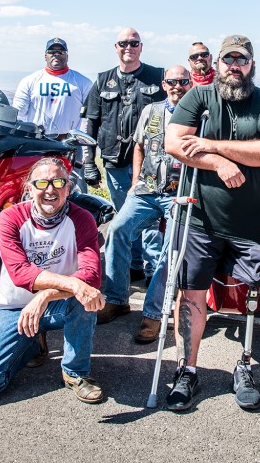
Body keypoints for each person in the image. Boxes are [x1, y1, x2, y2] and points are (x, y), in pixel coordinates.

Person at [164, 34, 260, 411]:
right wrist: (218, 164)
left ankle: (244, 365)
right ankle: (188, 369)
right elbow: (175, 142)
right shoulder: (198, 98)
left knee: (248, 297)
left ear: (252, 65)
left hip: (249, 217)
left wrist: (213, 146)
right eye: (228, 60)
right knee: (191, 294)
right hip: (199, 216)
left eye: (242, 60)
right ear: (217, 64)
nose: (235, 66)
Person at [0, 156, 106, 404]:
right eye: (41, 183)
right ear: (29, 188)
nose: (50, 190)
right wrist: (71, 284)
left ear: (69, 187)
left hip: (58, 304)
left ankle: (75, 373)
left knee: (86, 298)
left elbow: (91, 275)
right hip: (15, 306)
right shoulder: (10, 218)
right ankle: (31, 343)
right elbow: (21, 273)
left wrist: (46, 295)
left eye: (58, 182)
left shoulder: (82, 218)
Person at [96, 65, 192, 341]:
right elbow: (138, 145)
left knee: (169, 248)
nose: (177, 86)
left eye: (183, 81)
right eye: (172, 81)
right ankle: (116, 299)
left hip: (178, 193)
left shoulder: (200, 114)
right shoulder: (151, 111)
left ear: (190, 84)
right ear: (164, 84)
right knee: (117, 231)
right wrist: (136, 181)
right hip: (146, 190)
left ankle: (154, 314)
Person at [82, 28, 166, 280]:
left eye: (133, 42)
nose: (128, 47)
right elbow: (91, 123)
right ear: (115, 47)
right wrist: (88, 161)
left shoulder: (158, 77)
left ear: (141, 46)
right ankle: (134, 265)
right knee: (125, 216)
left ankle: (154, 270)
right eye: (123, 43)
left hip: (151, 163)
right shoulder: (102, 80)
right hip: (115, 161)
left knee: (149, 218)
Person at [12, 37, 92, 137]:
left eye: (61, 52)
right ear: (45, 56)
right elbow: (18, 114)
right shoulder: (28, 81)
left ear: (67, 56)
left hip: (70, 142)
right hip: (37, 141)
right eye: (52, 52)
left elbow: (89, 117)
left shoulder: (83, 82)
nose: (56, 55)